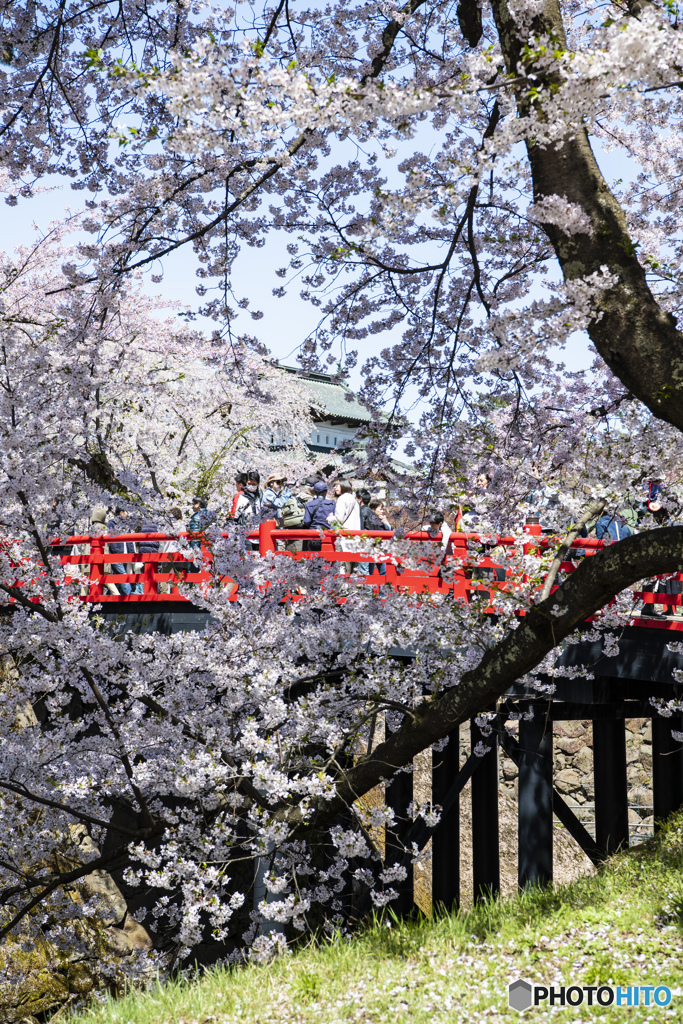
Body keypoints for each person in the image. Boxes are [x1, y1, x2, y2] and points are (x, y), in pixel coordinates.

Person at [357, 489, 389, 576]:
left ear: (360, 499)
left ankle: (369, 589)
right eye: (380, 509)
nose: (382, 511)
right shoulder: (372, 515)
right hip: (375, 544)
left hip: (371, 544)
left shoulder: (364, 511)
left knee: (366, 570)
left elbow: (389, 531)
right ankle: (370, 589)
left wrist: (385, 522)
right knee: (371, 570)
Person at [302, 480, 335, 551]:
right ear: (326, 492)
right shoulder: (332, 503)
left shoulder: (309, 504)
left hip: (313, 534)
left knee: (313, 558)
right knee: (327, 558)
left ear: (315, 492)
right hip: (328, 534)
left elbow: (306, 521)